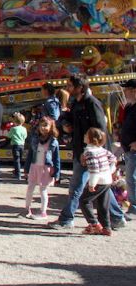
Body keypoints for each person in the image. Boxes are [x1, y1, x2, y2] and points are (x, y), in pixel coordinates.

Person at [50, 74, 126, 230]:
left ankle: (66, 219)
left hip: (91, 153)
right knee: (101, 186)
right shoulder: (76, 103)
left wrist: (94, 151)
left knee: (76, 186)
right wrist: (65, 124)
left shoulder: (92, 104)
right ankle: (117, 217)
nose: (67, 89)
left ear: (80, 87)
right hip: (81, 150)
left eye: (70, 86)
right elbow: (65, 118)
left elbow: (100, 130)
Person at [79, 127, 118, 236]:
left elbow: (94, 170)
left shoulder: (90, 152)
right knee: (103, 205)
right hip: (107, 180)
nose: (84, 136)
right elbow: (113, 159)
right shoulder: (102, 149)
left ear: (91, 138)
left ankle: (94, 224)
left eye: (86, 134)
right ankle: (106, 227)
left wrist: (92, 184)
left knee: (84, 200)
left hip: (99, 181)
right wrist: (110, 171)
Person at [22, 116, 60, 219]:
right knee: (30, 188)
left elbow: (56, 158)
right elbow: (30, 155)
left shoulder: (53, 142)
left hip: (45, 169)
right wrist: (26, 169)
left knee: (43, 190)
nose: (43, 128)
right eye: (41, 125)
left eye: (46, 125)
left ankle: (43, 212)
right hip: (34, 167)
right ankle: (27, 208)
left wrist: (56, 173)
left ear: (51, 127)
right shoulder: (35, 140)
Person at [121, 80, 136, 214]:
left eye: (127, 89)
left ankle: (134, 207)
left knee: (132, 178)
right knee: (130, 178)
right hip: (128, 148)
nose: (124, 92)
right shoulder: (129, 107)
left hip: (134, 149)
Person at [9, 112, 28, 180]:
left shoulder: (13, 129)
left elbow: (9, 136)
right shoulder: (24, 129)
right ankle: (17, 172)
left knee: (16, 160)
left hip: (15, 145)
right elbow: (25, 136)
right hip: (22, 145)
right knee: (19, 159)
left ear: (14, 121)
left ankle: (18, 174)